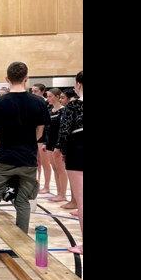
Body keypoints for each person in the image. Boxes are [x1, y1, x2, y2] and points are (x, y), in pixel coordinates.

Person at [0, 62, 50, 257]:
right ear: (27, 78)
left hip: (4, 157)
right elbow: (40, 132)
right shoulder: (39, 102)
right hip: (27, 160)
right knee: (23, 201)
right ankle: (21, 242)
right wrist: (26, 143)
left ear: (7, 79)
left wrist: (1, 144)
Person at [58, 70, 83, 254]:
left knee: (82, 200)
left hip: (78, 149)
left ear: (79, 86)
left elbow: (65, 131)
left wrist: (64, 150)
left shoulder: (73, 106)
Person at [30, 83, 51, 193]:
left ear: (43, 92)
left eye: (36, 91)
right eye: (32, 91)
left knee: (44, 162)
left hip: (44, 136)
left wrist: (46, 140)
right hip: (34, 134)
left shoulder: (47, 104)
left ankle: (47, 185)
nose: (33, 93)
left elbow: (47, 123)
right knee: (36, 161)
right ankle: (35, 182)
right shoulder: (32, 103)